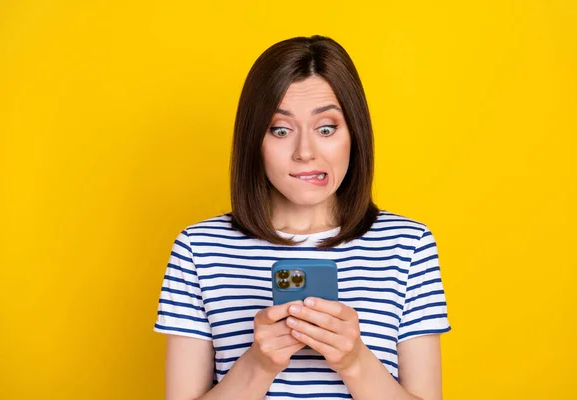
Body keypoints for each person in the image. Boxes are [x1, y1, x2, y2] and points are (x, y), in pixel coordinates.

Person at [153, 35, 451, 400]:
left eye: (326, 128)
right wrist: (259, 364)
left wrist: (354, 361)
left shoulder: (409, 245)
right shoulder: (198, 249)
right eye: (280, 130)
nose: (305, 152)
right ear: (254, 141)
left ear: (354, 134)